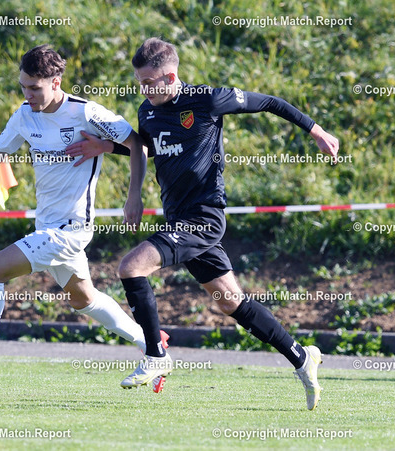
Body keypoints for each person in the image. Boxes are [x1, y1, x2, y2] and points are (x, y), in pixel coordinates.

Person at [65, 38, 339, 409]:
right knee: (232, 303)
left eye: (149, 83)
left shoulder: (207, 99)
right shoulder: (148, 111)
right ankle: (302, 357)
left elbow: (270, 102)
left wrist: (317, 131)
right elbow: (148, 147)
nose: (143, 90)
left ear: (170, 77)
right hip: (178, 218)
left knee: (131, 267)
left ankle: (155, 355)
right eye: (139, 83)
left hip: (203, 216)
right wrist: (107, 148)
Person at [0, 44, 166, 384]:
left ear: (56, 82)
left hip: (70, 230)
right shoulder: (24, 115)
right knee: (84, 299)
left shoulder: (86, 113)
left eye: (34, 87)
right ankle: (152, 343)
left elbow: (139, 144)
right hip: (47, 226)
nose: (28, 94)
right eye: (23, 86)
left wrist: (132, 193)